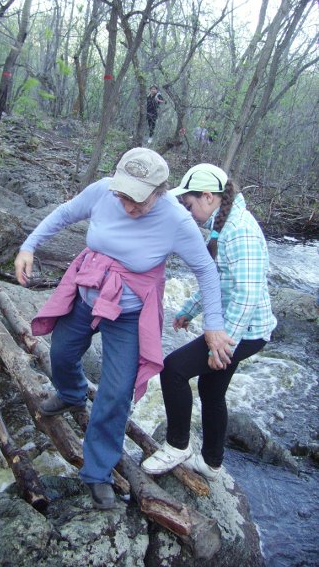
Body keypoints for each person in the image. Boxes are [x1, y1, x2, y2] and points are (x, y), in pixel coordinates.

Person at [14, 149, 234, 510]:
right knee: (62, 353)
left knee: (116, 394)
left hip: (129, 314)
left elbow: (206, 272)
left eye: (139, 198)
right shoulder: (102, 191)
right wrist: (29, 245)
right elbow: (66, 213)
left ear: (160, 190)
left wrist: (213, 326)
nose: (129, 205)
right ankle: (71, 392)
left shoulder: (177, 221)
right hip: (87, 294)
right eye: (124, 195)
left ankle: (97, 472)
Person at [142, 163, 277, 481]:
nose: (187, 212)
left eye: (188, 205)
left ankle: (177, 446)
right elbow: (216, 279)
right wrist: (189, 309)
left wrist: (223, 343)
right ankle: (212, 463)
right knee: (211, 388)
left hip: (245, 330)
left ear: (207, 196)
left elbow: (246, 294)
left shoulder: (240, 230)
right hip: (238, 327)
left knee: (173, 369)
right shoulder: (223, 224)